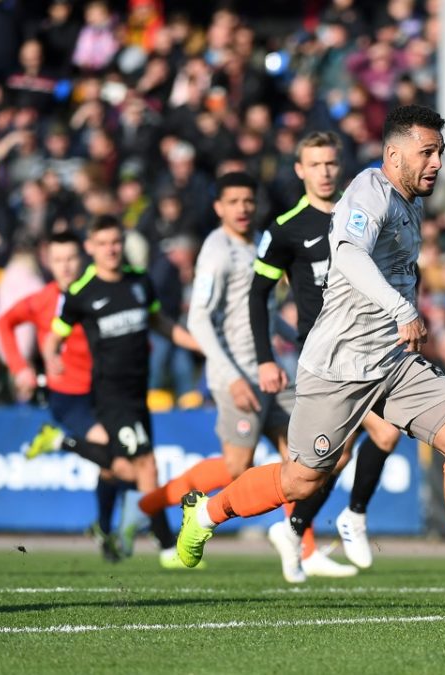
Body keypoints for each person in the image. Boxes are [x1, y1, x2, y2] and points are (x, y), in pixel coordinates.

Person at [177, 105, 445, 596]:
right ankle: (204, 513)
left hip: (392, 361)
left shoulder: (412, 198)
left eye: (440, 152)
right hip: (338, 366)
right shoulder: (371, 190)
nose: (436, 162)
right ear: (393, 154)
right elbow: (347, 254)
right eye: (426, 152)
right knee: (301, 480)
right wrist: (401, 308)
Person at [135, 172, 357, 580]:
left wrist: (301, 338)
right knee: (239, 467)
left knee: (309, 459)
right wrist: (230, 376)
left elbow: (266, 314)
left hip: (272, 369)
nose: (242, 208)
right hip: (237, 373)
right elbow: (199, 319)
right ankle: (153, 505)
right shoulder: (216, 251)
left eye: (248, 200)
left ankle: (302, 549)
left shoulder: (262, 243)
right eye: (233, 201)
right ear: (218, 207)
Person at [248, 130, 400, 575]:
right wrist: (263, 357)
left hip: (373, 344)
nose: (325, 171)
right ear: (300, 170)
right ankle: (333, 521)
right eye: (315, 164)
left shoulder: (365, 214)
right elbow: (258, 294)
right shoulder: (285, 228)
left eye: (331, 163)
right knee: (352, 447)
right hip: (326, 354)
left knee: (350, 450)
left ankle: (303, 528)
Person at [45, 215, 201, 569]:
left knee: (117, 470)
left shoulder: (140, 282)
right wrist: (51, 359)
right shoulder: (81, 292)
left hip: (138, 392)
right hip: (110, 394)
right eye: (103, 244)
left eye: (116, 242)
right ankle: (166, 545)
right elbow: (55, 335)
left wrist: (199, 345)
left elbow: (160, 323)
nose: (111, 249)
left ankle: (67, 448)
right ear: (90, 248)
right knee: (146, 466)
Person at [0, 231, 138, 562]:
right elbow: (4, 323)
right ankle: (59, 441)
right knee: (112, 450)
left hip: (105, 392)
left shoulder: (96, 293)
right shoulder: (42, 299)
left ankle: (103, 527)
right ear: (48, 261)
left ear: (83, 257)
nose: (66, 266)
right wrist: (20, 368)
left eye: (71, 258)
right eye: (58, 260)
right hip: (67, 396)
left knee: (113, 468)